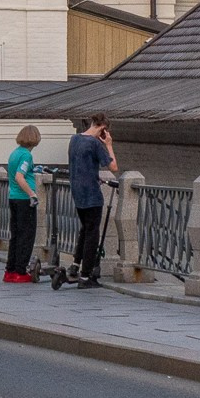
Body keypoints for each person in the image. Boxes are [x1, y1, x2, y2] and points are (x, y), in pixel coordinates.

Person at [65, 115, 118, 288]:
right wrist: (108, 144)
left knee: (85, 229)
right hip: (92, 194)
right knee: (92, 234)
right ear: (102, 128)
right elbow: (113, 167)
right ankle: (86, 276)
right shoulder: (94, 143)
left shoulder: (74, 139)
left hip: (77, 192)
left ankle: (75, 265)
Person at [3, 126, 41, 282]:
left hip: (13, 197)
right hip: (25, 200)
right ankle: (21, 271)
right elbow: (20, 176)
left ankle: (10, 270)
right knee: (26, 235)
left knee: (16, 235)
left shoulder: (15, 153)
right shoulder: (26, 155)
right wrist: (32, 194)